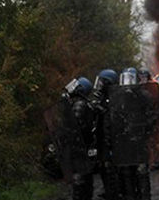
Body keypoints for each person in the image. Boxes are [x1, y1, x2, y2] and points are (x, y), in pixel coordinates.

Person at [113, 68, 153, 200]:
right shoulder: (118, 97)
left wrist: (143, 131)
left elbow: (151, 117)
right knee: (127, 171)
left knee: (141, 171)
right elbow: (114, 117)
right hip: (124, 140)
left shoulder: (144, 96)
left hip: (139, 139)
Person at [62, 77, 96, 200]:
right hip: (83, 147)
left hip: (79, 148)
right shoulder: (82, 103)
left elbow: (76, 127)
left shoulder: (79, 105)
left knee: (80, 180)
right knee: (85, 178)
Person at [89, 69, 120, 200]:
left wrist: (103, 110)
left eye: (102, 82)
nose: (99, 85)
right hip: (101, 138)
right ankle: (107, 190)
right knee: (103, 167)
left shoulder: (115, 98)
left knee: (110, 169)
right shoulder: (100, 98)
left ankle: (114, 193)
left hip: (111, 140)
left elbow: (114, 119)